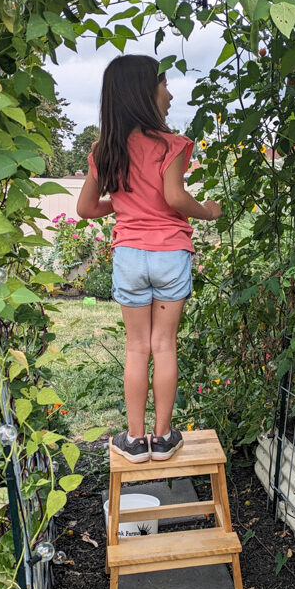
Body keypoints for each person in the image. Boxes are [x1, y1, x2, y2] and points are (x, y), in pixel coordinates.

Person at [76, 55, 221, 463]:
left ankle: (135, 440)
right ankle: (163, 438)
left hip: (129, 257)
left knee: (137, 347)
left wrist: (123, 206)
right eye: (164, 85)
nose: (170, 94)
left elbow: (87, 208)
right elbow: (175, 198)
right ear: (144, 92)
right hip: (170, 254)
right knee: (165, 345)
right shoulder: (172, 145)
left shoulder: (104, 149)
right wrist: (208, 210)